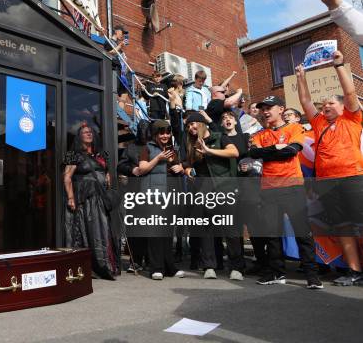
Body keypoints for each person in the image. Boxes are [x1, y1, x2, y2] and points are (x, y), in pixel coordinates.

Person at [295, 51, 363, 286]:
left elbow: (350, 92)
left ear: (343, 106)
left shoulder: (353, 118)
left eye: (330, 103)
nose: (325, 106)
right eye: (323, 104)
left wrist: (339, 66)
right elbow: (305, 101)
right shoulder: (318, 122)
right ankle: (355, 271)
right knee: (343, 227)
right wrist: (301, 77)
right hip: (327, 182)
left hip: (353, 178)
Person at [248, 96, 322, 289]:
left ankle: (312, 277)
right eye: (263, 108)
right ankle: (277, 273)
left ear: (281, 109)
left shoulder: (294, 128)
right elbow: (254, 153)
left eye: (269, 107)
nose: (265, 111)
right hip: (268, 189)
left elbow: (291, 151)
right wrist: (276, 148)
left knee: (302, 233)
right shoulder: (259, 134)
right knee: (272, 234)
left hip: (292, 187)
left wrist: (269, 151)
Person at [182, 112, 243, 280]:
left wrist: (208, 150)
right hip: (204, 189)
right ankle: (209, 266)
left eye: (193, 124)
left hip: (225, 187)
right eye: (188, 126)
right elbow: (186, 163)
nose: (190, 128)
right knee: (207, 229)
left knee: (230, 229)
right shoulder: (191, 144)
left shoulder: (220, 137)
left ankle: (236, 267)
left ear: (202, 124)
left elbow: (234, 152)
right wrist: (188, 170)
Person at [63, 125, 118, 280]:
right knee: (89, 232)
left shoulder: (102, 154)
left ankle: (107, 265)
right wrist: (71, 197)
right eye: (84, 132)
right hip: (86, 200)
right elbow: (67, 177)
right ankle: (92, 266)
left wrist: (107, 180)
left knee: (103, 231)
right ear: (79, 137)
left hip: (101, 199)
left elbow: (107, 173)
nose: (88, 134)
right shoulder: (73, 154)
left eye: (90, 132)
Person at [136, 120, 186, 280]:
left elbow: (179, 168)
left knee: (167, 233)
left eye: (167, 132)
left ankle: (169, 267)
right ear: (155, 134)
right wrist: (158, 158)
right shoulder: (147, 148)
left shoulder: (172, 149)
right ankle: (156, 268)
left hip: (170, 194)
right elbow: (142, 169)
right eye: (161, 133)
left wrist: (181, 168)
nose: (165, 136)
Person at [117, 120, 151, 273]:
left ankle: (151, 260)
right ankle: (135, 260)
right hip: (135, 191)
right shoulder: (130, 147)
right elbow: (121, 166)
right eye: (141, 131)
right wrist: (132, 169)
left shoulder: (155, 145)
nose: (144, 135)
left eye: (146, 132)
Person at [104, 25, 129, 109]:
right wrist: (120, 45)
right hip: (114, 68)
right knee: (114, 88)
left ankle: (119, 112)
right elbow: (110, 53)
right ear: (116, 32)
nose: (122, 36)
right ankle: (112, 109)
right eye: (122, 33)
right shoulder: (109, 41)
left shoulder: (118, 44)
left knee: (125, 92)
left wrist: (125, 59)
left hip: (121, 71)